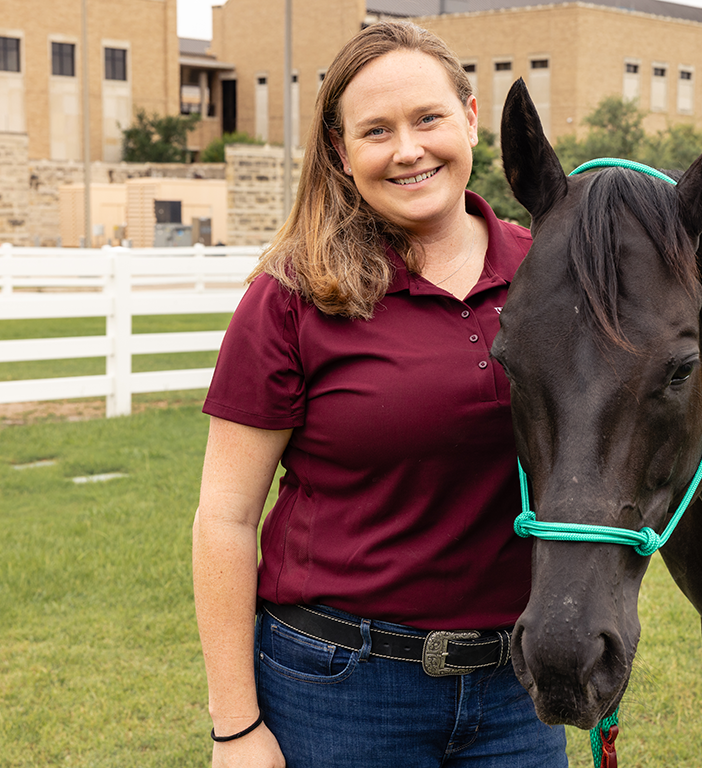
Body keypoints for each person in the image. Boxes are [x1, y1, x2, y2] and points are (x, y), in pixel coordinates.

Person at [191, 20, 568, 768]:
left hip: (516, 691)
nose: (407, 149)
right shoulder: (293, 296)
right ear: (341, 152)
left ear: (468, 116)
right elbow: (225, 520)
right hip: (342, 687)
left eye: (428, 118)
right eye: (376, 130)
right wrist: (234, 727)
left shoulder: (553, 273)